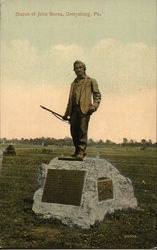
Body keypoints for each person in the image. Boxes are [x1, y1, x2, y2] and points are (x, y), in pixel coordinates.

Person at [63, 60, 101, 159]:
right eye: (76, 68)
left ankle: (81, 151)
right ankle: (77, 151)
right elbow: (70, 100)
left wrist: (94, 106)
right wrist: (66, 114)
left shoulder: (91, 81)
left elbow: (97, 95)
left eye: (80, 67)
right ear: (74, 70)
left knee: (82, 131)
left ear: (84, 68)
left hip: (85, 110)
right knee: (73, 131)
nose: (78, 70)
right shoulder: (73, 83)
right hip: (74, 110)